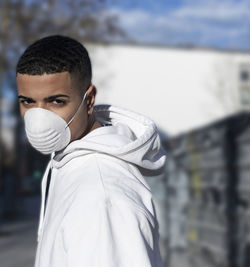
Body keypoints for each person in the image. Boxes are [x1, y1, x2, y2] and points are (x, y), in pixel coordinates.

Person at [15, 35, 167, 267]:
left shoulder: (102, 198)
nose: (39, 118)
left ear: (89, 100)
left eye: (56, 101)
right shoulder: (70, 164)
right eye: (27, 102)